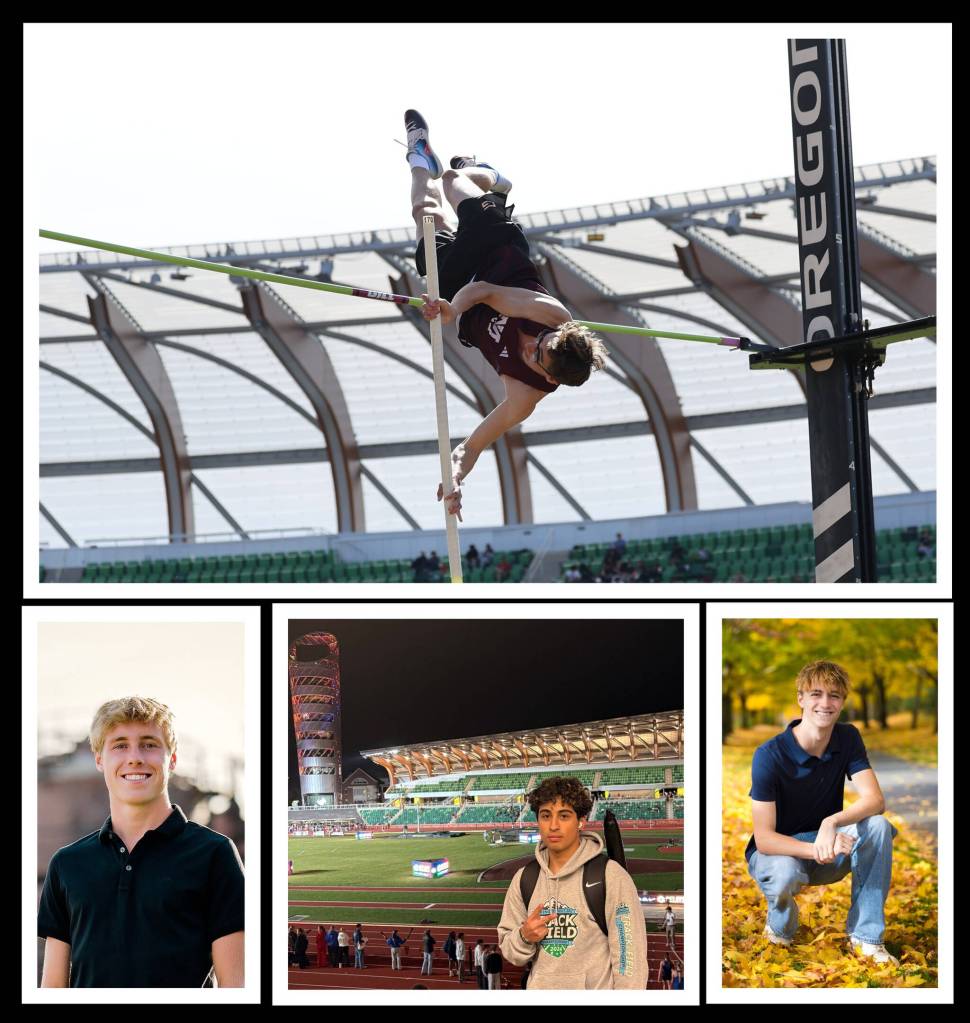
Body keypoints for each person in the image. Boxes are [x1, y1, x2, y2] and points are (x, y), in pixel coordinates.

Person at [402, 109, 608, 520]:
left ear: (548, 377)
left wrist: (456, 476)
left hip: (460, 283)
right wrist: (450, 310)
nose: (532, 344)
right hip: (494, 252)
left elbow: (472, 446)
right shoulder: (553, 316)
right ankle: (485, 173)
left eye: (537, 355)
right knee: (453, 182)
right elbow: (485, 291)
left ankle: (418, 155)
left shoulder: (523, 398)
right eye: (543, 341)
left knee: (425, 213)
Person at [37, 696, 244, 988]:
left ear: (172, 759)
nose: (134, 757)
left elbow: (236, 985)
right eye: (120, 745)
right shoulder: (67, 864)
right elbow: (52, 989)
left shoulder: (214, 854)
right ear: (100, 759)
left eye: (149, 743)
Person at [746, 661, 898, 965]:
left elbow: (875, 800)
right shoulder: (768, 755)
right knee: (784, 873)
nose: (825, 703)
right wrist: (815, 847)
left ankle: (866, 937)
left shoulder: (848, 737)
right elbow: (764, 839)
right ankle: (781, 926)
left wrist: (833, 822)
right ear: (801, 698)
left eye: (835, 696)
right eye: (816, 694)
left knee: (878, 826)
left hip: (829, 845)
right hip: (781, 852)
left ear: (842, 702)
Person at [496, 775, 648, 988]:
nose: (554, 826)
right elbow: (511, 953)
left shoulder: (611, 877)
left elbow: (629, 963)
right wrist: (524, 936)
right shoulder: (524, 879)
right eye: (546, 815)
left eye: (564, 816)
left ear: (580, 821)